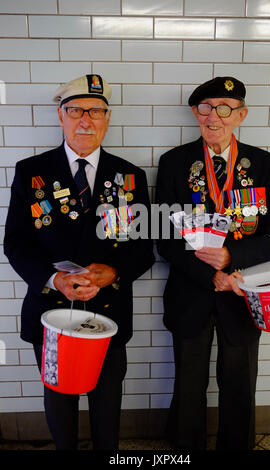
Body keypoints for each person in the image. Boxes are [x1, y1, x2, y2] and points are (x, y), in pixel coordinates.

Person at [4, 74, 155, 450]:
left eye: (96, 111)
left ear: (107, 119)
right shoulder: (31, 172)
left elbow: (143, 249)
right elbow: (16, 245)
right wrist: (54, 280)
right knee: (59, 401)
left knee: (107, 401)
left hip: (110, 308)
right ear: (61, 117)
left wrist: (115, 273)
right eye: (75, 110)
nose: (85, 120)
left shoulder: (131, 177)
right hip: (51, 310)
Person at [155, 76, 270, 450]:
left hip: (244, 294)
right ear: (195, 113)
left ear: (241, 114)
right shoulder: (173, 163)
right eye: (205, 107)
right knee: (187, 385)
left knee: (240, 386)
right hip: (191, 293)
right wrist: (210, 274)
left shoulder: (266, 165)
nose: (213, 116)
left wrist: (232, 261)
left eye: (224, 109)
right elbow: (164, 239)